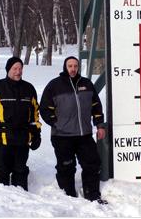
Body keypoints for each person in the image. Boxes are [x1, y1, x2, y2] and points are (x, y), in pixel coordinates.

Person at [40, 56, 107, 204]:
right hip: (62, 136)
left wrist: (99, 125)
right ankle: (69, 197)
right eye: (70, 66)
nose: (73, 69)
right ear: (65, 67)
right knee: (66, 167)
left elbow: (96, 106)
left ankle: (92, 195)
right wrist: (56, 123)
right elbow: (44, 108)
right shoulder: (55, 85)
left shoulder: (87, 84)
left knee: (92, 164)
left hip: (84, 135)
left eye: (75, 66)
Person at [0, 57, 42, 191]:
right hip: (2, 138)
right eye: (15, 69)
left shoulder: (29, 89)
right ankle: (1, 203)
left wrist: (37, 135)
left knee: (20, 171)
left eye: (20, 69)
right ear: (8, 70)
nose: (18, 72)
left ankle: (22, 203)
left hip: (22, 138)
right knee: (2, 171)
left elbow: (35, 114)